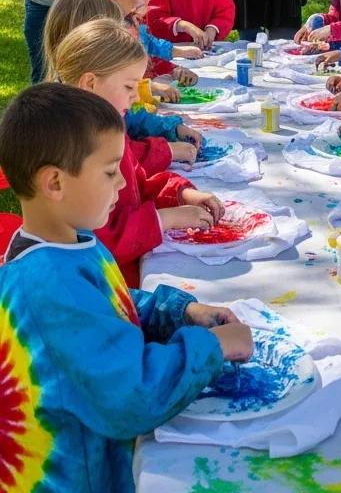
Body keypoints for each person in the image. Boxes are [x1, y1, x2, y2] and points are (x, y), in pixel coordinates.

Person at [0, 84, 252, 493]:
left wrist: (181, 312)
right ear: (55, 183)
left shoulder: (70, 239)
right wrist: (214, 347)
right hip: (77, 478)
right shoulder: (47, 285)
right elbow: (132, 395)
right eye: (109, 170)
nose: (122, 183)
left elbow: (109, 303)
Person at [54, 18, 225, 286]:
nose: (136, 97)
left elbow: (137, 181)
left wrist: (182, 193)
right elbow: (98, 241)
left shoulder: (109, 128)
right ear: (90, 83)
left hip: (133, 271)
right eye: (128, 87)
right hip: (105, 288)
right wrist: (164, 219)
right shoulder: (72, 149)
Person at [42, 0, 201, 172]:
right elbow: (123, 161)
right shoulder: (74, 121)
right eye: (112, 33)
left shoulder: (99, 96)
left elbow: (132, 117)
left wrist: (172, 128)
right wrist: (168, 151)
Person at [102, 0, 202, 95]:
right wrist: (150, 88)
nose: (148, 1)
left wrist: (173, 69)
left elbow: (146, 48)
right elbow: (110, 79)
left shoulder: (132, 17)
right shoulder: (100, 24)